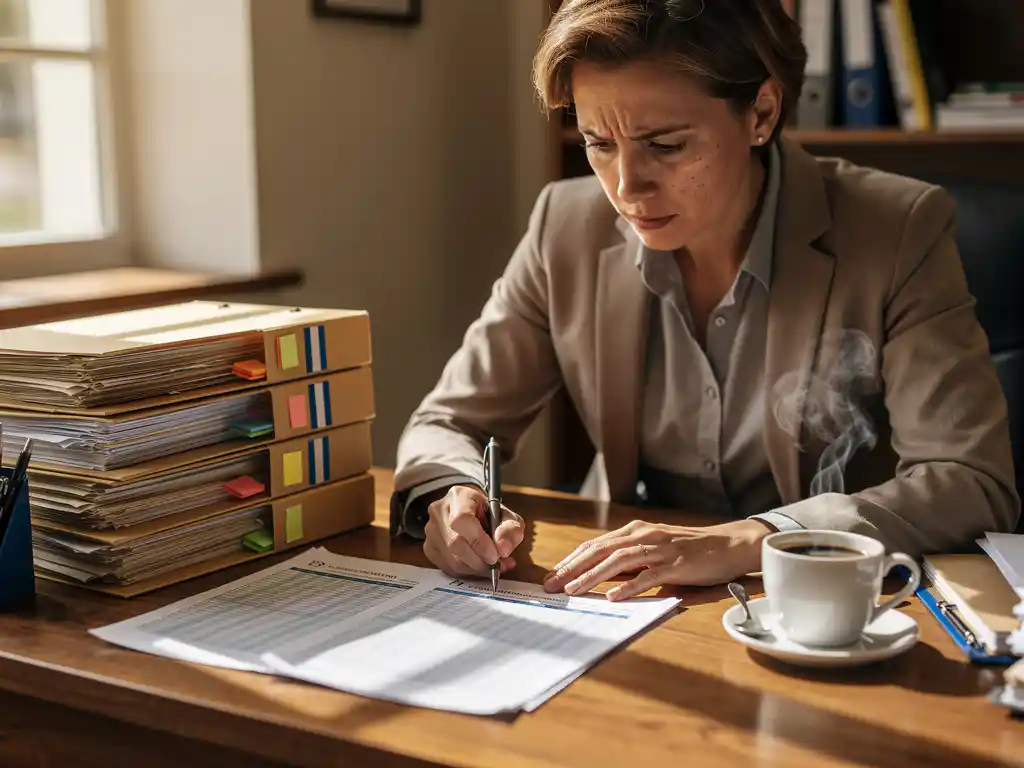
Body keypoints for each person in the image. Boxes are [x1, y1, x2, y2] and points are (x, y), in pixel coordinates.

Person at [389, 0, 1020, 601]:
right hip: (621, 596)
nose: (626, 187)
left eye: (665, 145)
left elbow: (969, 481)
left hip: (820, 604)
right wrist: (453, 496)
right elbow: (449, 423)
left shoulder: (896, 229)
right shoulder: (565, 225)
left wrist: (755, 538)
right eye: (598, 143)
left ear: (761, 113)